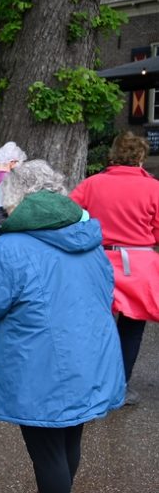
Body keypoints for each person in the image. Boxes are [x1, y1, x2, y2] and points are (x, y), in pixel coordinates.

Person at [0, 160, 123, 493]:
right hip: (89, 352)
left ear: (15, 198)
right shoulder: (86, 234)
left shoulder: (13, 246)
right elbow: (106, 288)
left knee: (46, 441)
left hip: (42, 362)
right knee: (69, 433)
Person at [70, 132, 159, 406]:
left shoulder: (91, 184)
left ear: (113, 154)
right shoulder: (154, 188)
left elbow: (71, 217)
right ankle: (120, 386)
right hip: (139, 265)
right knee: (132, 327)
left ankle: (92, 383)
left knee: (96, 326)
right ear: (141, 157)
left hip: (98, 261)